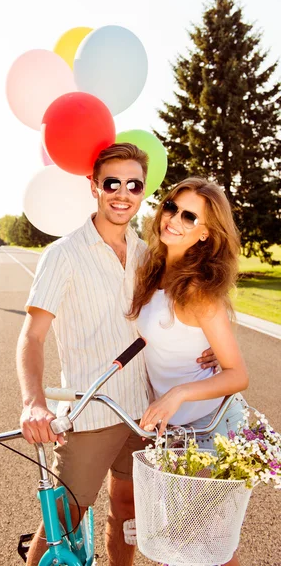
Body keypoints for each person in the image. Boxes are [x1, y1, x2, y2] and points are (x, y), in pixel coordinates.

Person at [16, 144, 218, 566]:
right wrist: (34, 403)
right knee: (65, 517)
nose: (122, 193)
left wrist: (208, 350)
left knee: (127, 511)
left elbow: (178, 312)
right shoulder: (62, 255)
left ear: (143, 192)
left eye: (134, 184)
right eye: (112, 183)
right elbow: (32, 337)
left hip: (142, 413)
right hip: (90, 413)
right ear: (94, 187)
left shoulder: (148, 255)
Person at [132, 177, 249, 566]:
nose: (174, 219)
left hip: (212, 424)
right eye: (170, 207)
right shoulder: (152, 270)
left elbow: (237, 373)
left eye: (189, 216)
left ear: (204, 233)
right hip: (176, 431)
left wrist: (177, 394)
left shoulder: (201, 291)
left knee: (200, 544)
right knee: (195, 544)